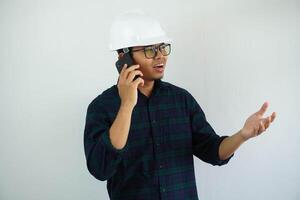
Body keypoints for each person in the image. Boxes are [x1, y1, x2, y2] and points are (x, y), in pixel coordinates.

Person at [83, 11, 276, 200]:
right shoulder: (102, 107)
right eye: (150, 50)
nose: (160, 56)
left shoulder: (181, 100)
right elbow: (101, 169)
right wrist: (126, 105)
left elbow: (213, 151)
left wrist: (242, 135)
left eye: (163, 47)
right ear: (123, 57)